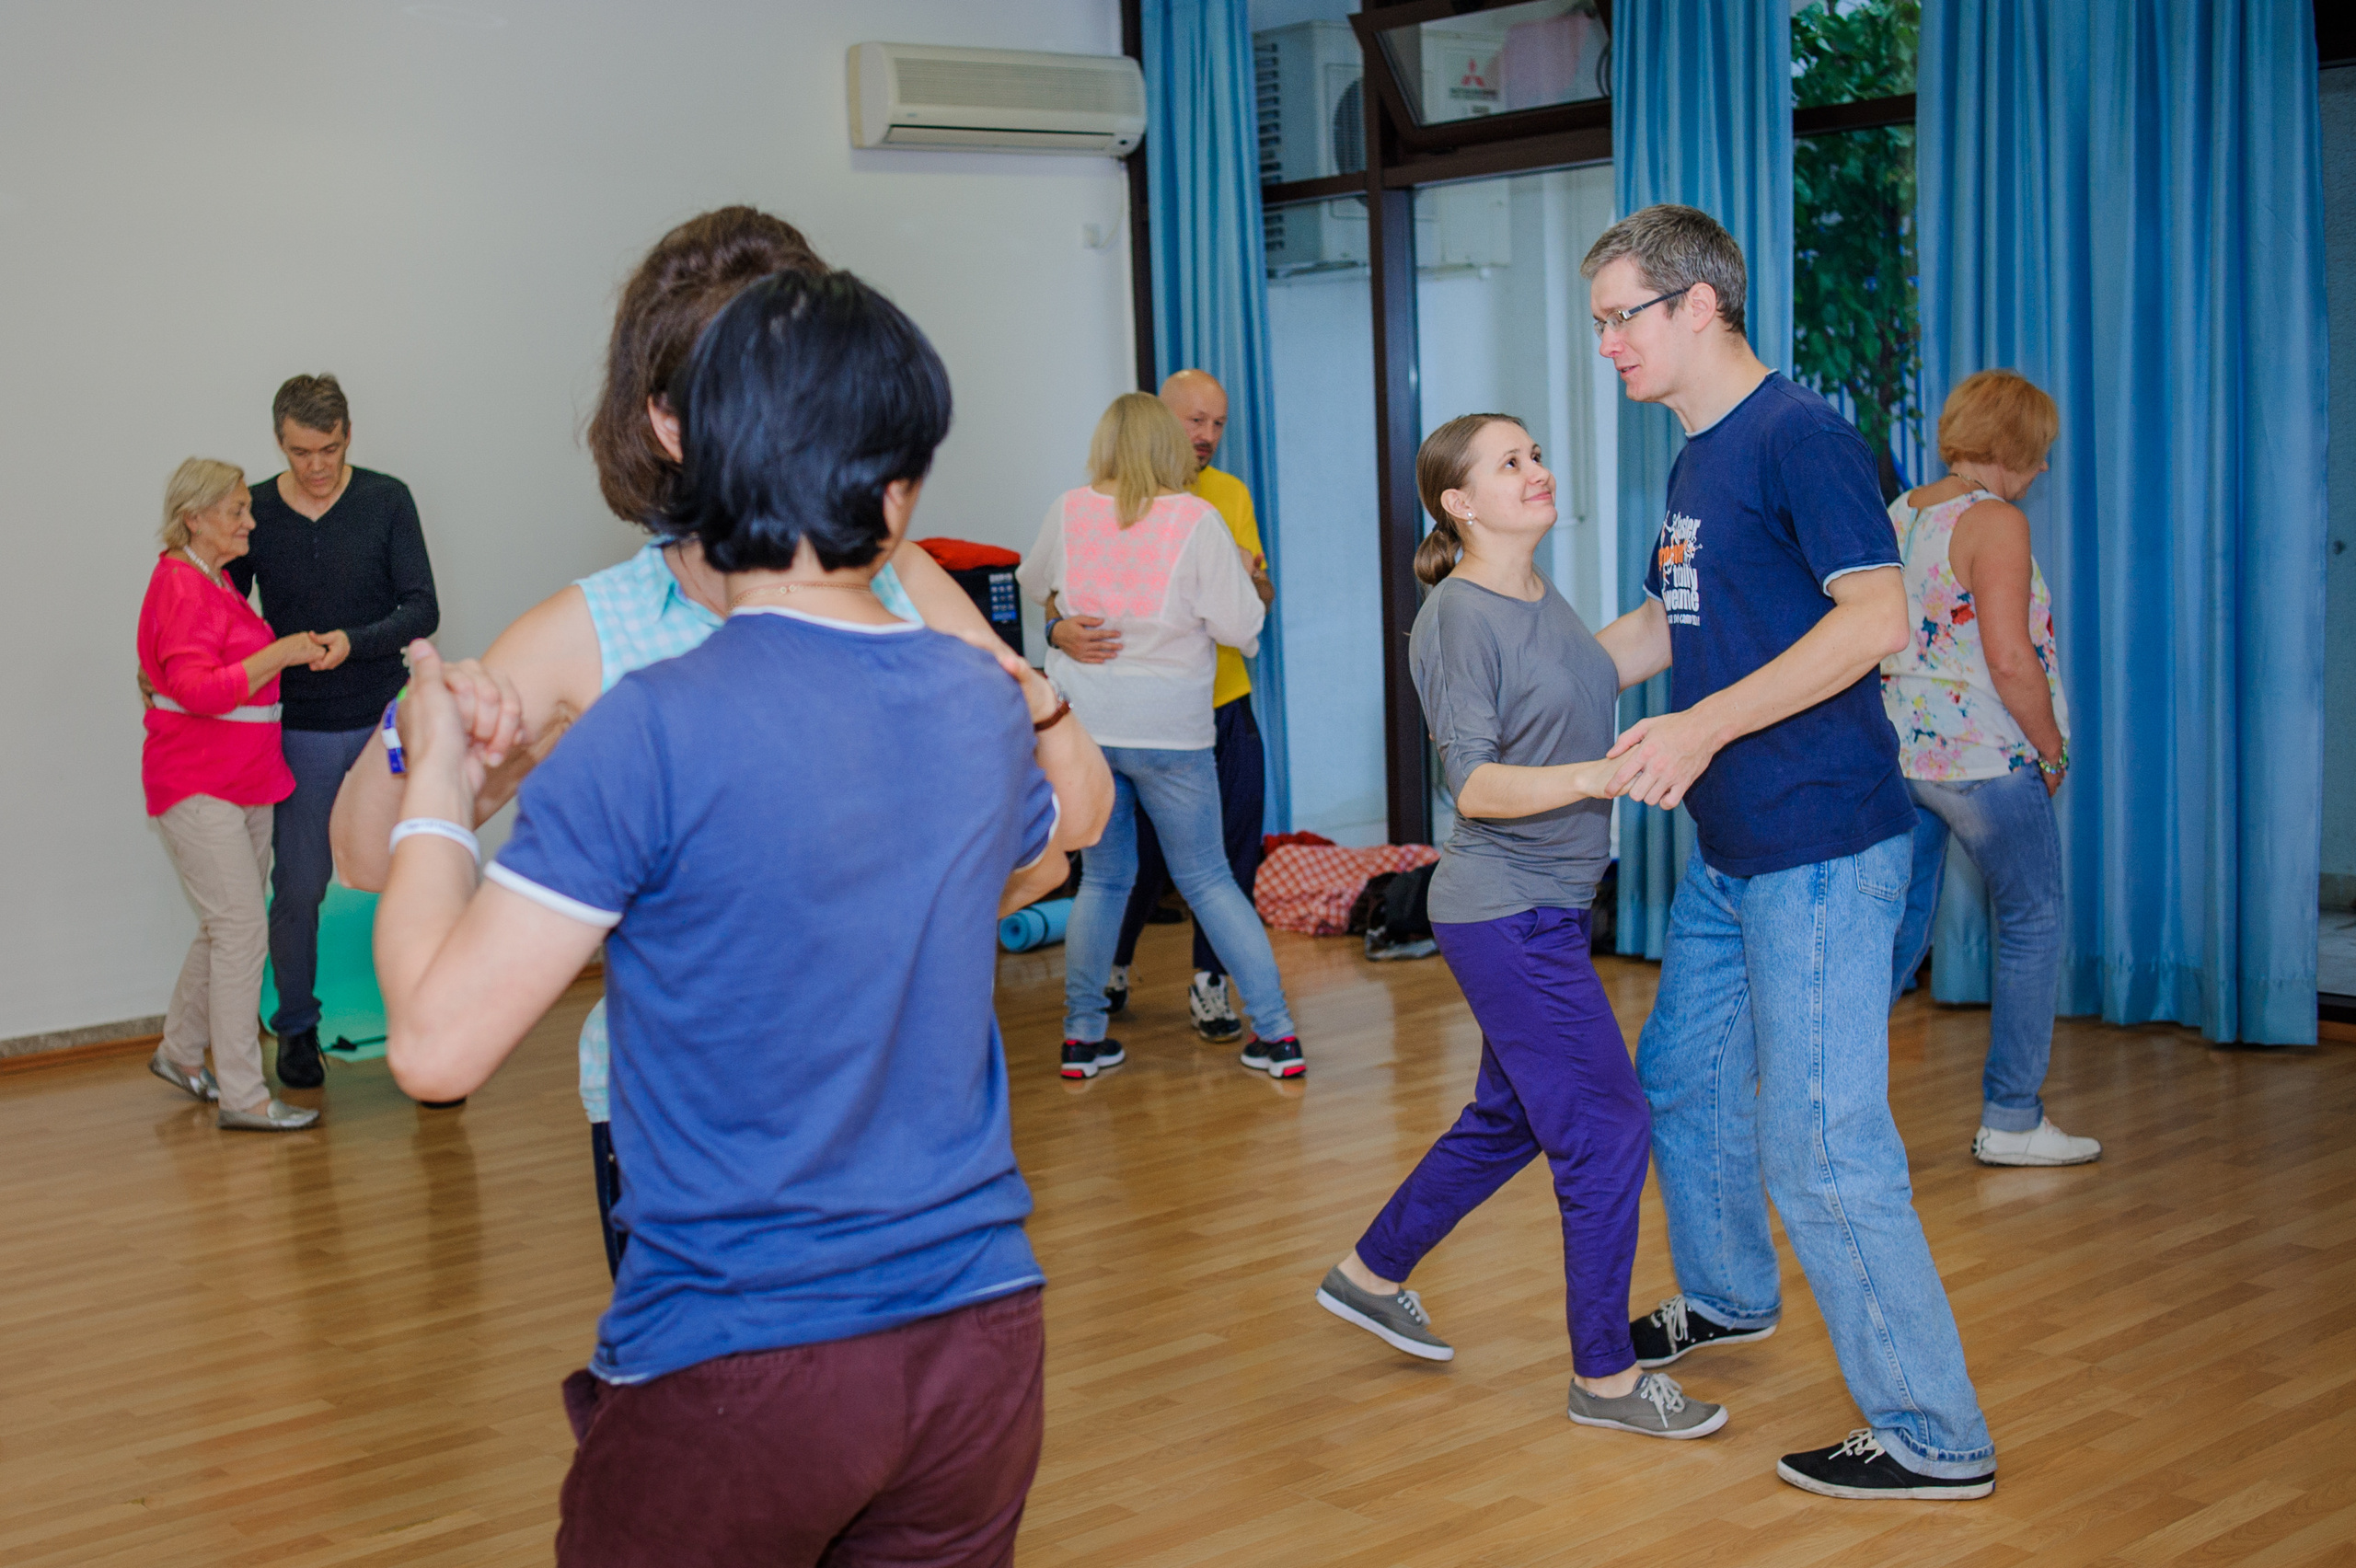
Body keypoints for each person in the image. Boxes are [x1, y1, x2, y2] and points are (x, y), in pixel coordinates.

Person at [374, 268, 1096, 1566]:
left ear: (692, 459)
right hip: (980, 1340)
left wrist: (440, 774)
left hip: (746, 1356)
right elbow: (1051, 842)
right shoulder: (972, 702)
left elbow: (432, 1046)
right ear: (898, 492)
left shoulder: (649, 727)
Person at [330, 205, 1109, 1275]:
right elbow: (370, 858)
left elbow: (1046, 841)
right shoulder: (591, 637)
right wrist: (424, 738)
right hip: (690, 1155)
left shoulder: (905, 583)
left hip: (906, 1136)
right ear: (671, 424)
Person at [1581, 204, 1997, 1499]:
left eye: (1619, 319)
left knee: (1821, 1145)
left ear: (1697, 305)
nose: (1607, 346)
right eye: (1598, 324)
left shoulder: (1803, 436)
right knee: (1685, 1081)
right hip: (1732, 849)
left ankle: (1938, 1436)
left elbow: (1876, 620)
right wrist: (1540, 676)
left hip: (1820, 842)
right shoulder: (1697, 458)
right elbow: (1674, 615)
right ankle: (1728, 1295)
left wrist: (1699, 726)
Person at [1313, 414, 1727, 1441]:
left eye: (1536, 452)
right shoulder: (1457, 617)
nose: (1538, 470)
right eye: (1511, 463)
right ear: (1459, 504)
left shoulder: (1536, 597)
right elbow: (1478, 783)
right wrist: (1601, 775)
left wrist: (1725, 566)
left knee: (1511, 1118)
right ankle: (1606, 1378)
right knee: (1605, 1128)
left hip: (1542, 905)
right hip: (1506, 912)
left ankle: (1369, 1272)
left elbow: (1615, 657)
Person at [1020, 392, 1304, 1080]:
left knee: (1104, 881)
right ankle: (1277, 1036)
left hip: (1087, 729)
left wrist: (1064, 624)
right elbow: (1243, 628)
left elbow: (1035, 585)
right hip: (1171, 735)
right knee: (1207, 878)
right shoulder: (1196, 519)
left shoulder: (1070, 508)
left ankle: (1082, 1040)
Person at [1883, 371, 2096, 1167]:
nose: (2043, 468)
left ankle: (1820, 1103)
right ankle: (2012, 1119)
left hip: (1903, 754)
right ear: (2014, 448)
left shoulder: (1902, 513)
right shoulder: (1997, 522)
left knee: (1897, 936)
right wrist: (2051, 746)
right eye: (2039, 453)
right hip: (1984, 760)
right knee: (2033, 923)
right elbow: (2009, 658)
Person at [226, 375, 438, 1091]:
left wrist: (356, 640)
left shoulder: (386, 499)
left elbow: (422, 607)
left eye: (330, 448)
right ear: (278, 442)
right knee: (300, 885)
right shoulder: (253, 509)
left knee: (418, 878)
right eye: (300, 452)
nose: (316, 466)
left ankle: (429, 1025)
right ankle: (295, 1028)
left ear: (349, 435)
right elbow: (221, 614)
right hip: (303, 729)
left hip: (386, 720)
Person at [1064, 369, 1275, 1043]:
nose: (1208, 436)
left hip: (1216, 705)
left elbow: (1256, 598)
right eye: (1195, 421)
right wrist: (1056, 628)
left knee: (1219, 860)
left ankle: (1201, 989)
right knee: (1144, 868)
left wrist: (1245, 574)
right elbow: (1056, 600)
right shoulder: (1096, 505)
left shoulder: (1225, 497)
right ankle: (1114, 976)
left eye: (1218, 423)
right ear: (1159, 419)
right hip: (1146, 721)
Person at [138, 458, 329, 1132]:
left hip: (242, 781)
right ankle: (244, 1097)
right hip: (200, 783)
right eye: (236, 512)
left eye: (248, 508)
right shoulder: (181, 587)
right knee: (243, 930)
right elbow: (198, 690)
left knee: (225, 927)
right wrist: (279, 654)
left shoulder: (212, 581)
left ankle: (181, 1051)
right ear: (194, 517)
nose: (250, 521)